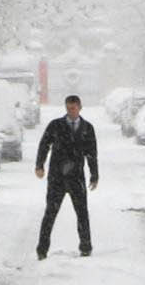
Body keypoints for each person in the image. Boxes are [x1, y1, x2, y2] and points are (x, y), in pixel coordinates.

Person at [35, 95, 100, 258]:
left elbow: (92, 153)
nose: (70, 111)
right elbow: (44, 145)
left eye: (73, 108)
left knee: (82, 213)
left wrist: (94, 175)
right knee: (50, 213)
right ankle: (42, 249)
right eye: (68, 108)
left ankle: (86, 246)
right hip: (57, 177)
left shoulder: (87, 128)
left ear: (79, 108)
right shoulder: (56, 125)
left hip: (76, 176)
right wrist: (39, 165)